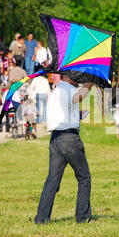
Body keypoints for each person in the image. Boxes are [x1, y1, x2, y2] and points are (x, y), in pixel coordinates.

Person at [34, 75, 94, 224]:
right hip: (69, 139)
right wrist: (90, 83)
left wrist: (76, 115)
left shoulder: (56, 91)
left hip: (55, 139)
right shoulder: (68, 89)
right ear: (69, 76)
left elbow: (64, 111)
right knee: (84, 177)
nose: (79, 77)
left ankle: (41, 219)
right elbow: (80, 97)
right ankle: (83, 217)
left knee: (52, 181)